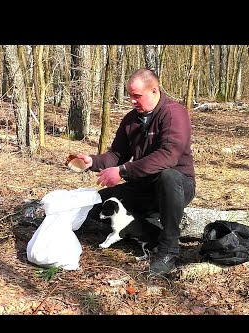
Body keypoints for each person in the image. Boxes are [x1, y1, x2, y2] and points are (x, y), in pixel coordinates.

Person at [77, 68, 196, 275]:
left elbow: (169, 155)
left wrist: (122, 172)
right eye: (130, 95)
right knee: (97, 206)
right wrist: (92, 162)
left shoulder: (174, 113)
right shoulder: (131, 119)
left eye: (137, 96)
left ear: (154, 91)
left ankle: (169, 250)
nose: (132, 101)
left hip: (176, 186)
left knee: (168, 176)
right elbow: (116, 154)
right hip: (142, 186)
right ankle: (150, 231)